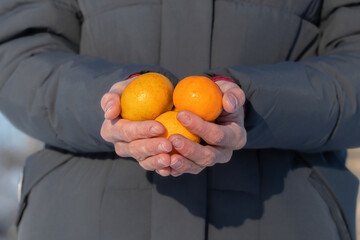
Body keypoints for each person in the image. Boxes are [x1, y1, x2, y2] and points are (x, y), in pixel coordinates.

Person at [0, 0, 359, 239]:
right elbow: (17, 56)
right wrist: (108, 100)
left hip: (287, 218)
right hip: (82, 220)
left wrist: (248, 102)